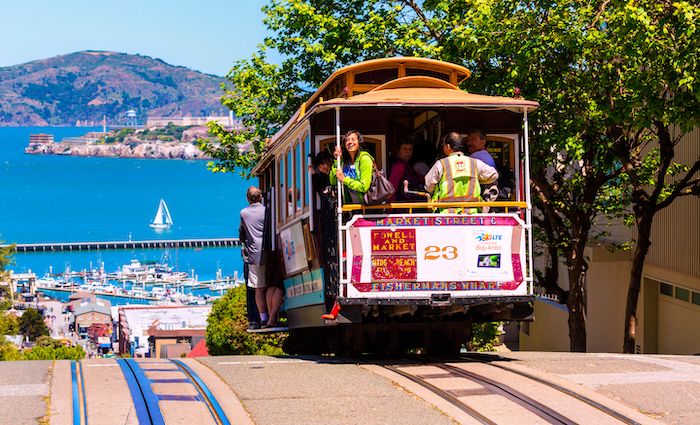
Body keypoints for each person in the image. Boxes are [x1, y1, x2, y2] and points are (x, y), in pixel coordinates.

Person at [424, 132, 499, 213]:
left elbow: (429, 186)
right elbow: (494, 175)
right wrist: (477, 179)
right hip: (472, 214)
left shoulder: (442, 164)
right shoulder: (474, 162)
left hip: (447, 214)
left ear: (448, 147)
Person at [239, 186, 267, 329]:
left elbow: (242, 233)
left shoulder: (244, 213)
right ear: (261, 197)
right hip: (270, 252)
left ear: (248, 198)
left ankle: (260, 318)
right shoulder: (267, 211)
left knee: (257, 288)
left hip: (254, 255)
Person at [329, 130, 374, 204]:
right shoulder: (345, 161)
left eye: (353, 139)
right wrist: (337, 160)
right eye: (347, 140)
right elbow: (333, 181)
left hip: (367, 207)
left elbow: (364, 186)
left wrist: (344, 179)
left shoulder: (364, 158)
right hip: (350, 207)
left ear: (359, 142)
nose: (350, 142)